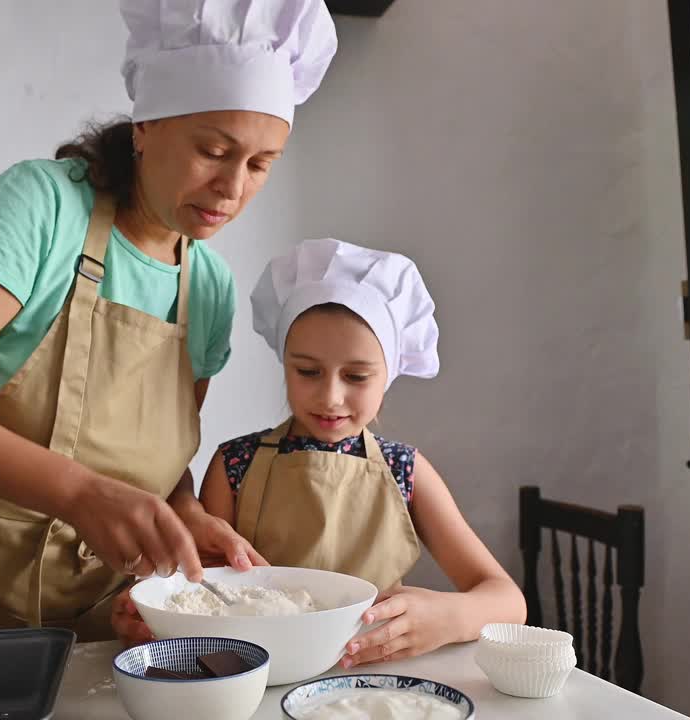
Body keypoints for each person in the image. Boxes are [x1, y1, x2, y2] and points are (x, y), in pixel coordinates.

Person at [0, 0, 338, 703]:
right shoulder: (43, 208)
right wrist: (77, 491)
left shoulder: (209, 288)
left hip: (92, 629)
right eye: (213, 151)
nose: (233, 188)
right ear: (147, 127)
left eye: (260, 164)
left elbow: (157, 461)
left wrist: (186, 513)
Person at [155, 238, 526, 666]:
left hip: (372, 684)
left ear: (389, 375)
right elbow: (202, 593)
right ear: (284, 362)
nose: (331, 397)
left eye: (356, 375)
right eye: (307, 371)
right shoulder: (234, 465)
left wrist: (447, 616)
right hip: (260, 677)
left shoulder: (407, 471)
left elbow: (508, 601)